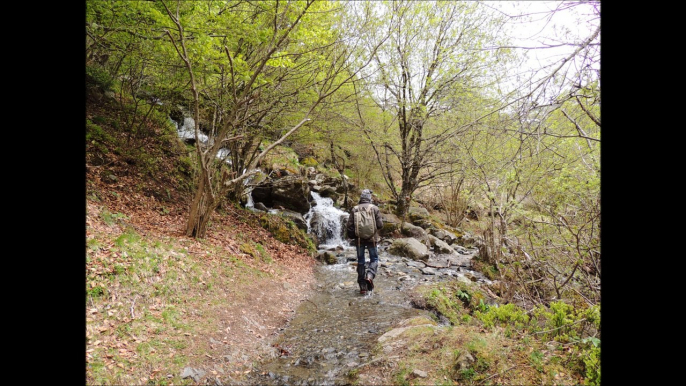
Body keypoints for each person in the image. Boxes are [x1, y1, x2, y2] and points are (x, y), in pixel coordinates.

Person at [346, 189, 384, 295]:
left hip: (359, 240)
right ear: (369, 198)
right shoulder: (374, 208)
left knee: (361, 261)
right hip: (372, 239)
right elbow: (380, 225)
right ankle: (370, 276)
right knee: (374, 259)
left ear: (361, 198)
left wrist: (354, 236)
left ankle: (362, 287)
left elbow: (349, 226)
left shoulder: (355, 209)